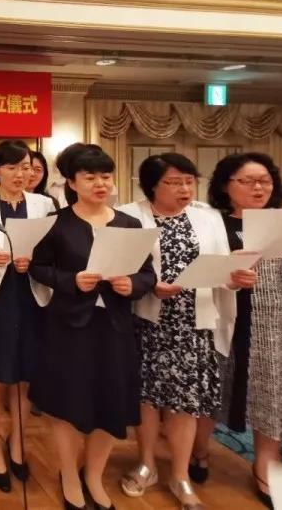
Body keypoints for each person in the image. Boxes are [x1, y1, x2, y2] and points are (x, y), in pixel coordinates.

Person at [29, 144, 156, 510]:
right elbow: (38, 268)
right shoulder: (56, 223)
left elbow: (147, 273)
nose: (100, 184)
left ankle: (94, 476)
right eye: (90, 177)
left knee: (110, 402)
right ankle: (70, 476)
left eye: (106, 176)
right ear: (72, 182)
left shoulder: (129, 224)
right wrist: (70, 281)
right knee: (67, 403)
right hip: (68, 327)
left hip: (114, 328)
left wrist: (133, 284)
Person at [116, 153, 239, 509]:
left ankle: (181, 475)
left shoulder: (208, 217)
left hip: (193, 323)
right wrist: (150, 285)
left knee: (187, 401)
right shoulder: (129, 215)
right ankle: (146, 464)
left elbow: (222, 267)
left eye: (189, 181)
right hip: (146, 320)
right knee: (146, 397)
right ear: (152, 185)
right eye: (174, 182)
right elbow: (122, 268)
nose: (184, 189)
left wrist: (234, 279)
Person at [190, 153, 282, 507]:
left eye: (265, 180)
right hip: (221, 315)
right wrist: (228, 276)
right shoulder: (211, 223)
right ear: (226, 185)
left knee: (270, 392)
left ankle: (266, 464)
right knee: (212, 388)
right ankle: (199, 449)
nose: (258, 188)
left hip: (272, 322)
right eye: (248, 181)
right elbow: (195, 271)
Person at [0, 140, 56, 493]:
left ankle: (18, 444)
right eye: (12, 168)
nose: (21, 174)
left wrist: (34, 260)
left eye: (26, 167)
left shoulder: (44, 205)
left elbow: (54, 250)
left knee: (24, 378)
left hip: (32, 295)